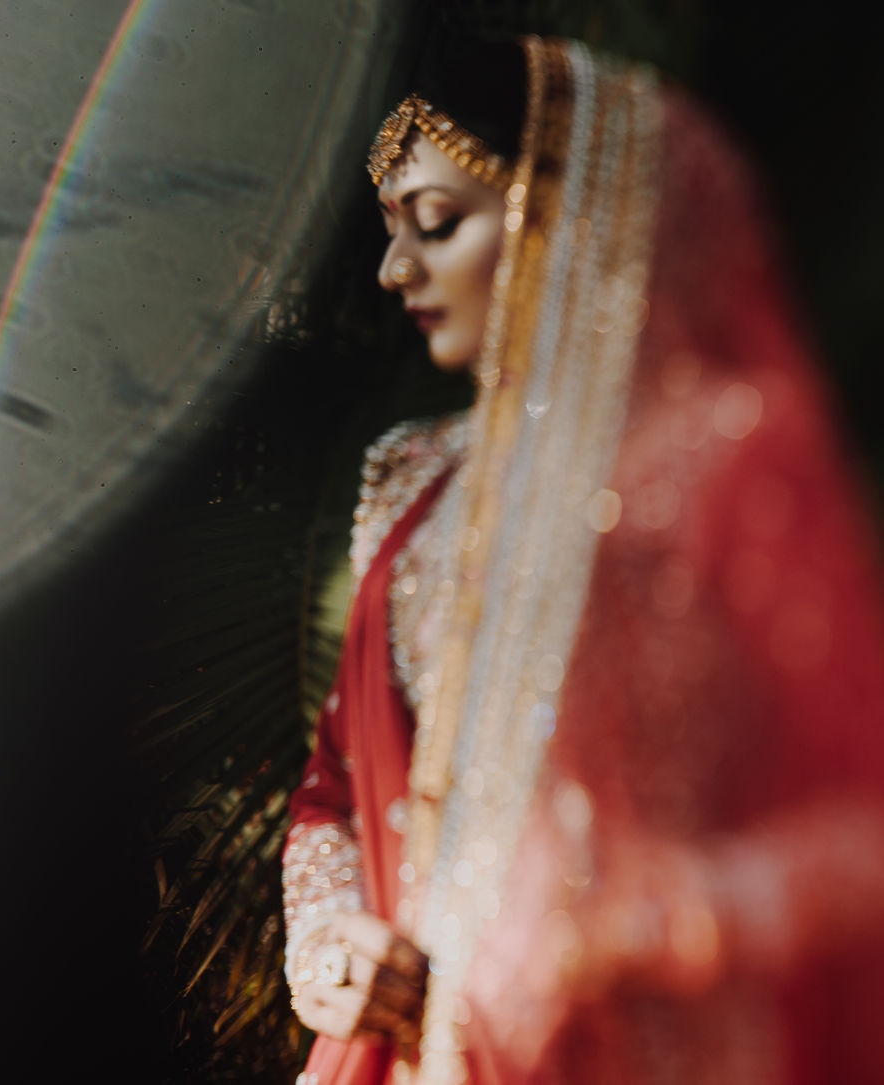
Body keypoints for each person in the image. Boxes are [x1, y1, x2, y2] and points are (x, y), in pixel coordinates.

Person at [281, 34, 884, 1085]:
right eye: (391, 232)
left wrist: (656, 921)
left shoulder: (729, 462)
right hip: (421, 1050)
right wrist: (330, 942)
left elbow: (859, 827)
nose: (395, 269)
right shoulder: (412, 485)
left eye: (435, 224)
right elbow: (331, 791)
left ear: (565, 214)